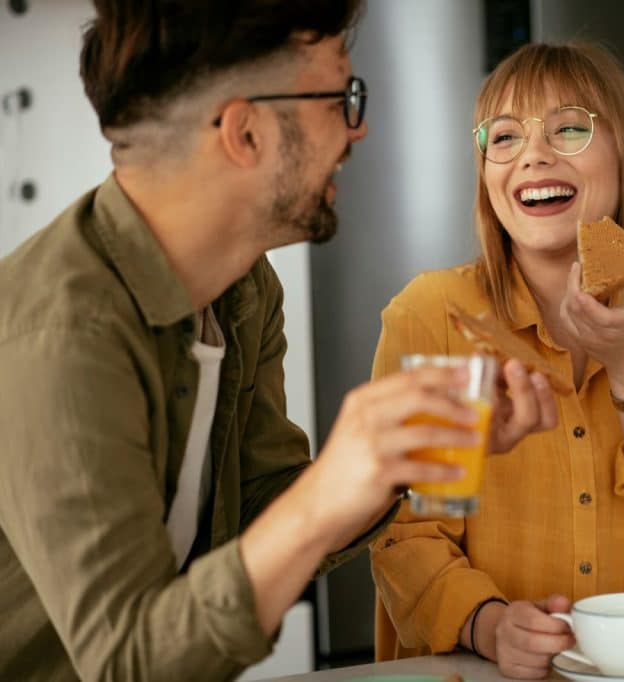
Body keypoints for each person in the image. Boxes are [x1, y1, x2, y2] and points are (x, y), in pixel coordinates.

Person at [0, 2, 555, 680]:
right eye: (341, 97)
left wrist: (399, 460)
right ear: (246, 132)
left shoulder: (244, 290)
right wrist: (331, 486)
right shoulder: (64, 333)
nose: (360, 127)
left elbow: (266, 505)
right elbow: (127, 663)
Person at [369, 42, 624, 679]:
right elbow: (408, 532)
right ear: (487, 174)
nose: (534, 155)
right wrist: (487, 624)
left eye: (569, 128)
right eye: (505, 137)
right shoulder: (438, 315)